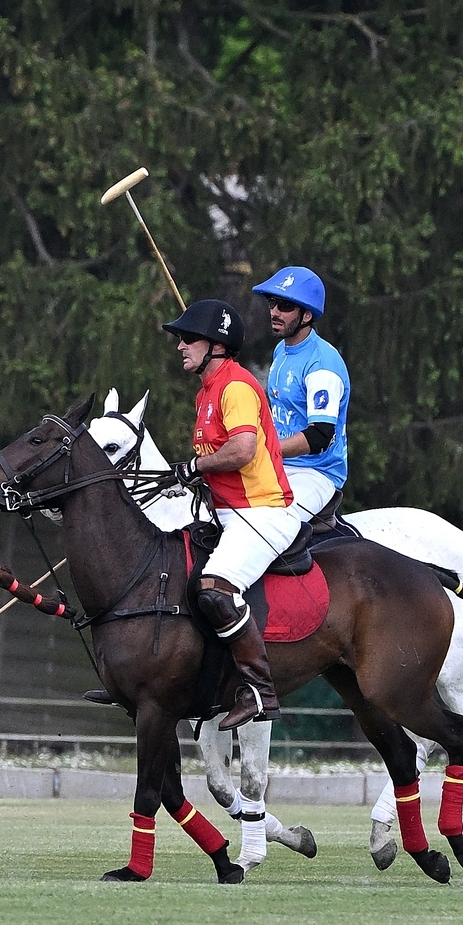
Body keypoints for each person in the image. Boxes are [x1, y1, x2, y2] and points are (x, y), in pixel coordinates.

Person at [162, 299, 301, 731]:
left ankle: (259, 690)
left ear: (216, 345)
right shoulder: (206, 392)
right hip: (228, 513)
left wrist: (195, 465)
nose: (180, 346)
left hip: (262, 512)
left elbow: (242, 450)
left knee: (215, 589)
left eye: (189, 338)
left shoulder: (235, 386)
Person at [253, 267, 350, 533]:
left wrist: (264, 449)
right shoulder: (282, 350)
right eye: (272, 303)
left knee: (268, 528)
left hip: (315, 473)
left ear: (307, 315)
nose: (274, 312)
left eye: (285, 306)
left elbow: (320, 436)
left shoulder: (322, 364)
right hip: (278, 465)